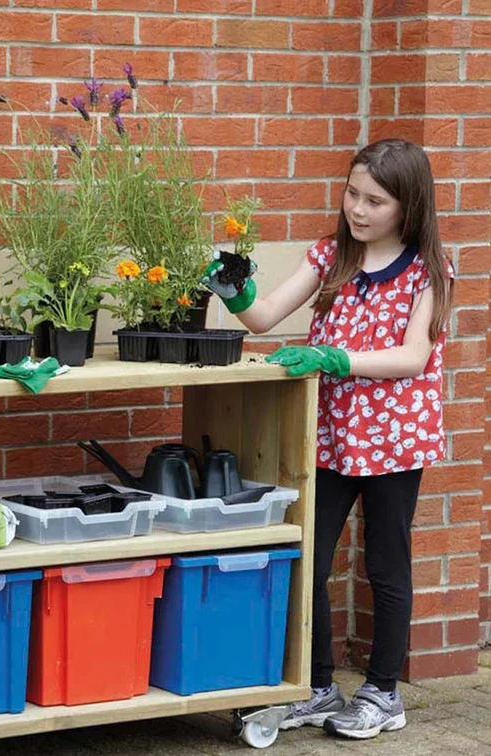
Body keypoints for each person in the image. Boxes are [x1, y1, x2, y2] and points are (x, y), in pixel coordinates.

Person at [203, 139, 454, 740]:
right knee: (310, 558)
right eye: (351, 193)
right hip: (334, 436)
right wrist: (233, 291)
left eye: (375, 201)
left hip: (396, 440)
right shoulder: (329, 257)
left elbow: (415, 355)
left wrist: (333, 356)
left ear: (409, 206)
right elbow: (264, 316)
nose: (358, 210)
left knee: (385, 565)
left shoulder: (429, 269)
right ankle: (315, 686)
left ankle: (383, 693)